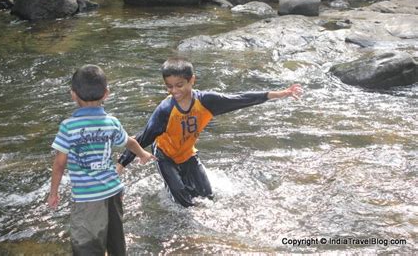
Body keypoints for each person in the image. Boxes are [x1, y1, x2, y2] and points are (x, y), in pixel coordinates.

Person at [116, 57, 302, 207]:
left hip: (188, 153)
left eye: (179, 85)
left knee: (208, 197)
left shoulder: (207, 102)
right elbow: (142, 137)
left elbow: (239, 99)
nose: (175, 91)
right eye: (169, 86)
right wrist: (120, 167)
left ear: (192, 80)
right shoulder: (165, 110)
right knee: (183, 203)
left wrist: (278, 94)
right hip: (164, 156)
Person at [47, 64, 155, 255]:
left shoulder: (68, 127)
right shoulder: (111, 122)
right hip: (113, 192)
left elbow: (59, 164)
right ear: (106, 93)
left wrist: (53, 192)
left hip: (87, 198)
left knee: (86, 244)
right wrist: (142, 154)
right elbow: (129, 142)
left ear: (73, 94)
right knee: (115, 241)